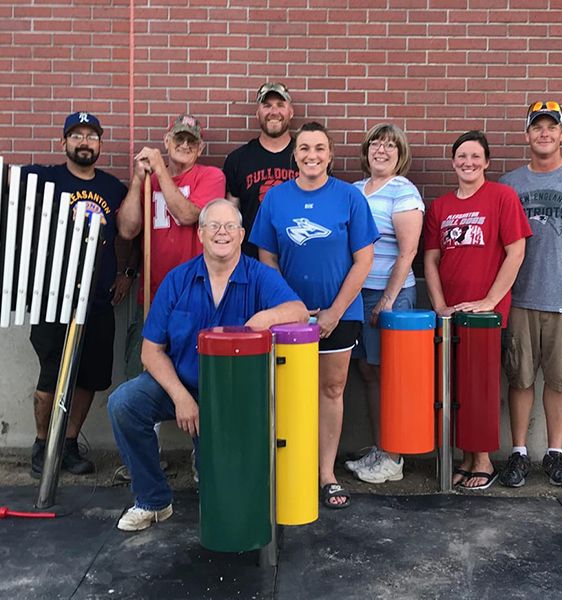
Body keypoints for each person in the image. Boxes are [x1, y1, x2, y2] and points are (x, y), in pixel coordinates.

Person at [108, 199, 308, 531]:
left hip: (233, 395)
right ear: (200, 233)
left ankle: (212, 469)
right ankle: (152, 500)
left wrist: (264, 318)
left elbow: (299, 310)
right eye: (213, 225)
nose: (222, 233)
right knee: (124, 404)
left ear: (242, 234)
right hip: (181, 384)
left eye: (230, 226)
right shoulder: (178, 280)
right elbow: (150, 351)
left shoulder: (259, 276)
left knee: (222, 497)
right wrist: (181, 398)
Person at [250, 121, 379, 509]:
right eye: (305, 148)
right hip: (288, 315)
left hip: (339, 314)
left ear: (331, 155)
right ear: (295, 155)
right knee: (286, 392)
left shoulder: (349, 198)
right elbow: (266, 257)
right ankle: (289, 468)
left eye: (319, 148)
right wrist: (289, 308)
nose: (312, 155)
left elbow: (364, 260)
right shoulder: (275, 198)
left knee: (331, 390)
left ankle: (325, 474)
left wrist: (334, 313)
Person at [499, 102, 562, 488]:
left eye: (550, 127)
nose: (544, 133)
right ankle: (520, 453)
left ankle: (555, 454)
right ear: (527, 135)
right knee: (520, 377)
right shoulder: (510, 184)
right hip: (521, 298)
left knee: (559, 380)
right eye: (536, 127)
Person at [424, 130, 531, 490]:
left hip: (487, 317)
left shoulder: (502, 197)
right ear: (453, 162)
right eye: (461, 157)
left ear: (486, 162)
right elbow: (431, 259)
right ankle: (467, 458)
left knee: (481, 389)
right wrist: (440, 306)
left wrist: (489, 301)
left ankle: (483, 459)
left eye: (475, 157)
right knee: (457, 389)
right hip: (452, 314)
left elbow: (516, 252)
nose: (468, 163)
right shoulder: (440, 207)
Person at [25, 111, 129, 478]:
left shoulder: (113, 188)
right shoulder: (44, 178)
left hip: (97, 299)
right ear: (64, 142)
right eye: (77, 136)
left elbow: (128, 232)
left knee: (90, 377)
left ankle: (68, 444)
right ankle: (41, 445)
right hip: (53, 296)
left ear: (100, 144)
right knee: (51, 376)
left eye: (91, 136)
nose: (84, 142)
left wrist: (126, 272)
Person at [345, 123, 425, 484]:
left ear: (400, 153)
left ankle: (394, 456)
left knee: (392, 374)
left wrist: (388, 300)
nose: (381, 150)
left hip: (389, 296)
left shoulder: (402, 191)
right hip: (357, 295)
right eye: (375, 144)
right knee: (368, 371)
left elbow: (408, 251)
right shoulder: (355, 190)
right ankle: (382, 446)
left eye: (389, 145)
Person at [118, 114, 225, 377]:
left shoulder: (211, 177)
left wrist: (160, 171)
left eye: (192, 141)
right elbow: (127, 229)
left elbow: (188, 215)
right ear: (167, 141)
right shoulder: (147, 182)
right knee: (139, 377)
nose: (185, 145)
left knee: (194, 379)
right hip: (153, 297)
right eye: (179, 138)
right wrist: (137, 180)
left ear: (200, 148)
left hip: (197, 297)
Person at [223, 82, 298, 257]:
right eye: (267, 106)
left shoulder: (307, 158)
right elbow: (230, 217)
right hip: (250, 261)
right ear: (258, 113)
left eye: (280, 105)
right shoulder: (238, 160)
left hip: (297, 259)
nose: (274, 112)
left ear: (291, 112)